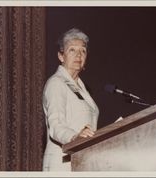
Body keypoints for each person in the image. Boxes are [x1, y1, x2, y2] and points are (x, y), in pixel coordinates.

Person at [42, 28, 99, 171]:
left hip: (81, 161)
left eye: (83, 51)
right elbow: (56, 126)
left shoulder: (81, 87)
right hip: (62, 164)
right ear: (61, 56)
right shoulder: (56, 83)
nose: (79, 55)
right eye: (72, 50)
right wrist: (74, 138)